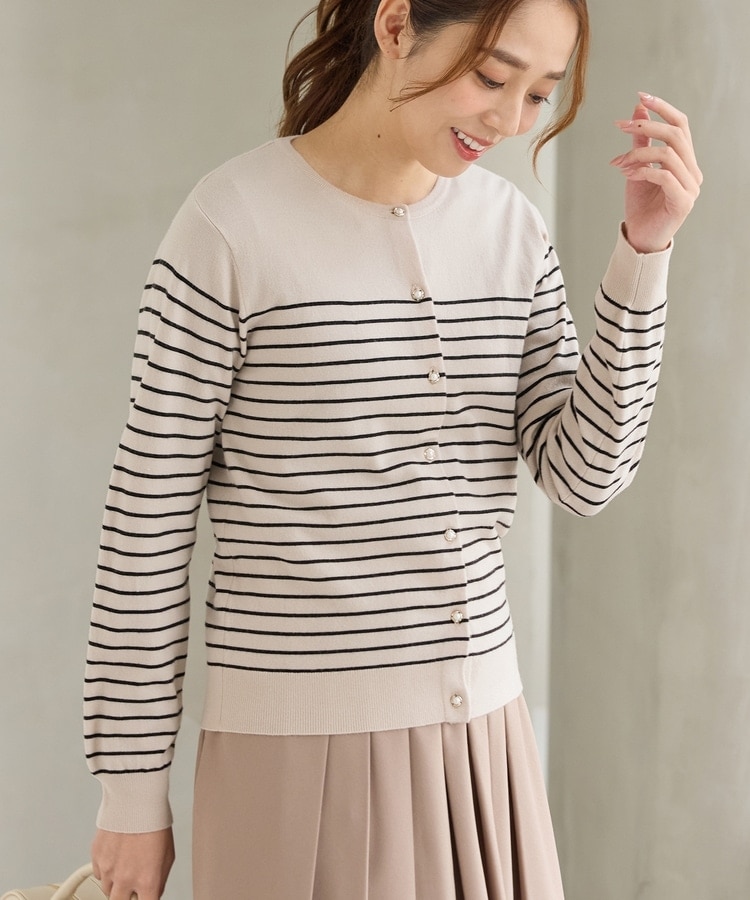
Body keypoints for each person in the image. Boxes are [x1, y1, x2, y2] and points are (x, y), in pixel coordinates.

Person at [85, 0, 701, 897]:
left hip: (487, 753)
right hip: (294, 759)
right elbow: (146, 526)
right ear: (397, 23)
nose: (509, 119)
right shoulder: (229, 226)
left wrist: (645, 251)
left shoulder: (510, 229)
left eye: (538, 94)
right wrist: (132, 796)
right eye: (491, 76)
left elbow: (583, 476)